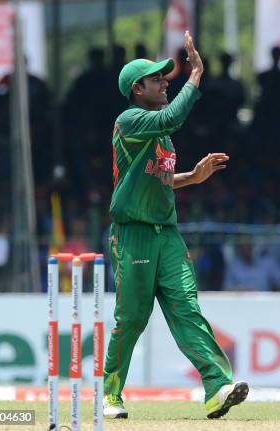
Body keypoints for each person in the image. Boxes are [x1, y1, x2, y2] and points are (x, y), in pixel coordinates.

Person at [103, 31, 248, 420]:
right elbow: (173, 115)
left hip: (166, 234)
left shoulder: (161, 136)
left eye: (168, 78)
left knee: (187, 308)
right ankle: (111, 393)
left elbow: (160, 178)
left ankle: (217, 387)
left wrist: (192, 178)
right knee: (131, 318)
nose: (166, 82)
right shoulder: (131, 120)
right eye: (158, 79)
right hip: (132, 233)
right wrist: (195, 77)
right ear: (137, 88)